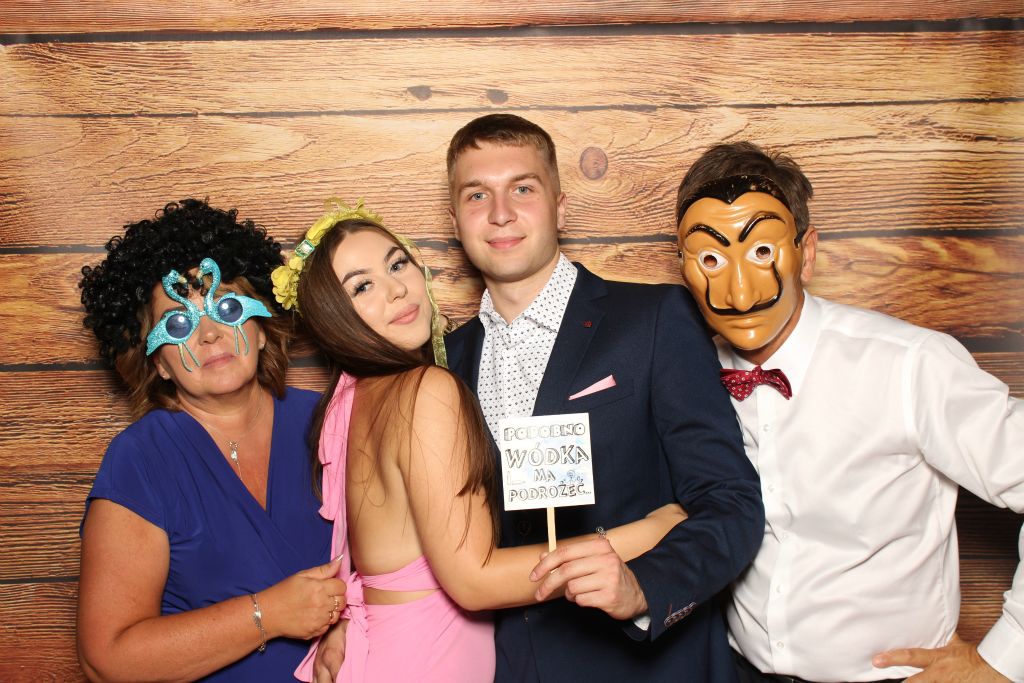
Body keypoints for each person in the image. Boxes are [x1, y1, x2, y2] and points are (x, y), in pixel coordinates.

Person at [274, 200, 687, 683]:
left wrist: (346, 616)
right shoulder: (426, 388)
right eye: (362, 286)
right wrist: (649, 531)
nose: (396, 289)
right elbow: (475, 581)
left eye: (397, 264)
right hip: (428, 662)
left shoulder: (349, 397)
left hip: (382, 651)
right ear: (331, 317)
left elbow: (364, 547)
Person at [674, 141, 1024, 683]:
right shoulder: (684, 373)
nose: (739, 292)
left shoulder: (909, 365)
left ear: (807, 252)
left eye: (762, 252)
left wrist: (1002, 660)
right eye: (712, 260)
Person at [442, 113, 764, 682]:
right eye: (477, 195)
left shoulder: (655, 319)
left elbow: (730, 502)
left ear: (560, 207)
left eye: (523, 188)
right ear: (455, 220)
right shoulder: (446, 360)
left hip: (651, 665)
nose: (500, 213)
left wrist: (644, 588)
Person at [77, 199, 346, 682]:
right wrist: (268, 614)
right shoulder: (141, 459)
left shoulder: (334, 420)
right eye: (178, 324)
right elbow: (106, 660)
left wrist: (349, 623)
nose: (209, 334)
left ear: (261, 331)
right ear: (159, 363)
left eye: (227, 307)